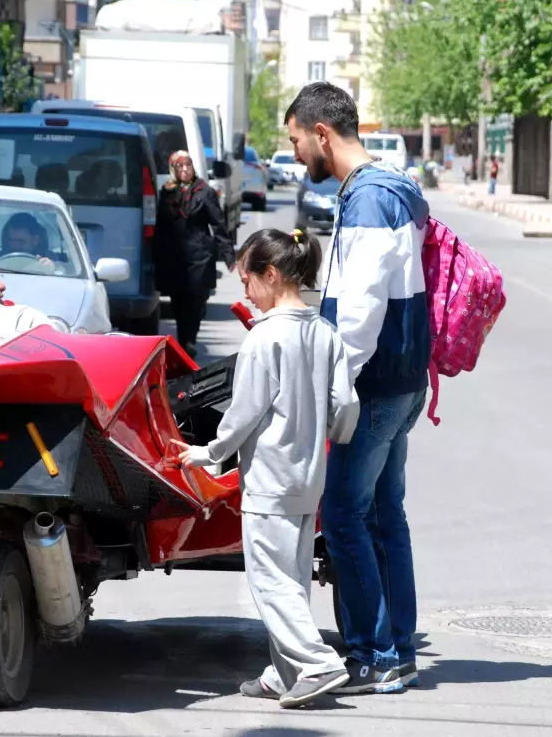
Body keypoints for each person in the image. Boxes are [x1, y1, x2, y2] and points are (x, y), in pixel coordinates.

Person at [284, 81, 430, 694]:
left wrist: (333, 383)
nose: (295, 155)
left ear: (323, 134)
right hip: (404, 379)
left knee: (343, 512)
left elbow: (362, 308)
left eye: (295, 141)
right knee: (382, 514)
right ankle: (397, 645)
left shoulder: (369, 199)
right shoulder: (398, 185)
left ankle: (375, 656)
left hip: (371, 384)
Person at [173, 228, 358, 709]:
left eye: (246, 280)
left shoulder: (264, 339)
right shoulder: (326, 333)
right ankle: (283, 672)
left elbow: (243, 414)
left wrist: (208, 454)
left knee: (270, 581)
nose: (245, 293)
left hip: (270, 480)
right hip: (308, 477)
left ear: (270, 275)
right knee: (292, 578)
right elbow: (346, 407)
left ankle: (316, 663)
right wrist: (328, 438)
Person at [153, 150, 235, 356]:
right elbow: (160, 226)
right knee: (179, 301)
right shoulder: (167, 192)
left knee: (197, 300)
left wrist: (228, 255)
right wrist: (155, 253)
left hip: (200, 255)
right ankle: (184, 342)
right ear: (173, 169)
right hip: (175, 256)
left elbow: (218, 224)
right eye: (179, 166)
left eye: (188, 165)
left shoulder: (204, 191)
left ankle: (190, 338)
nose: (184, 169)